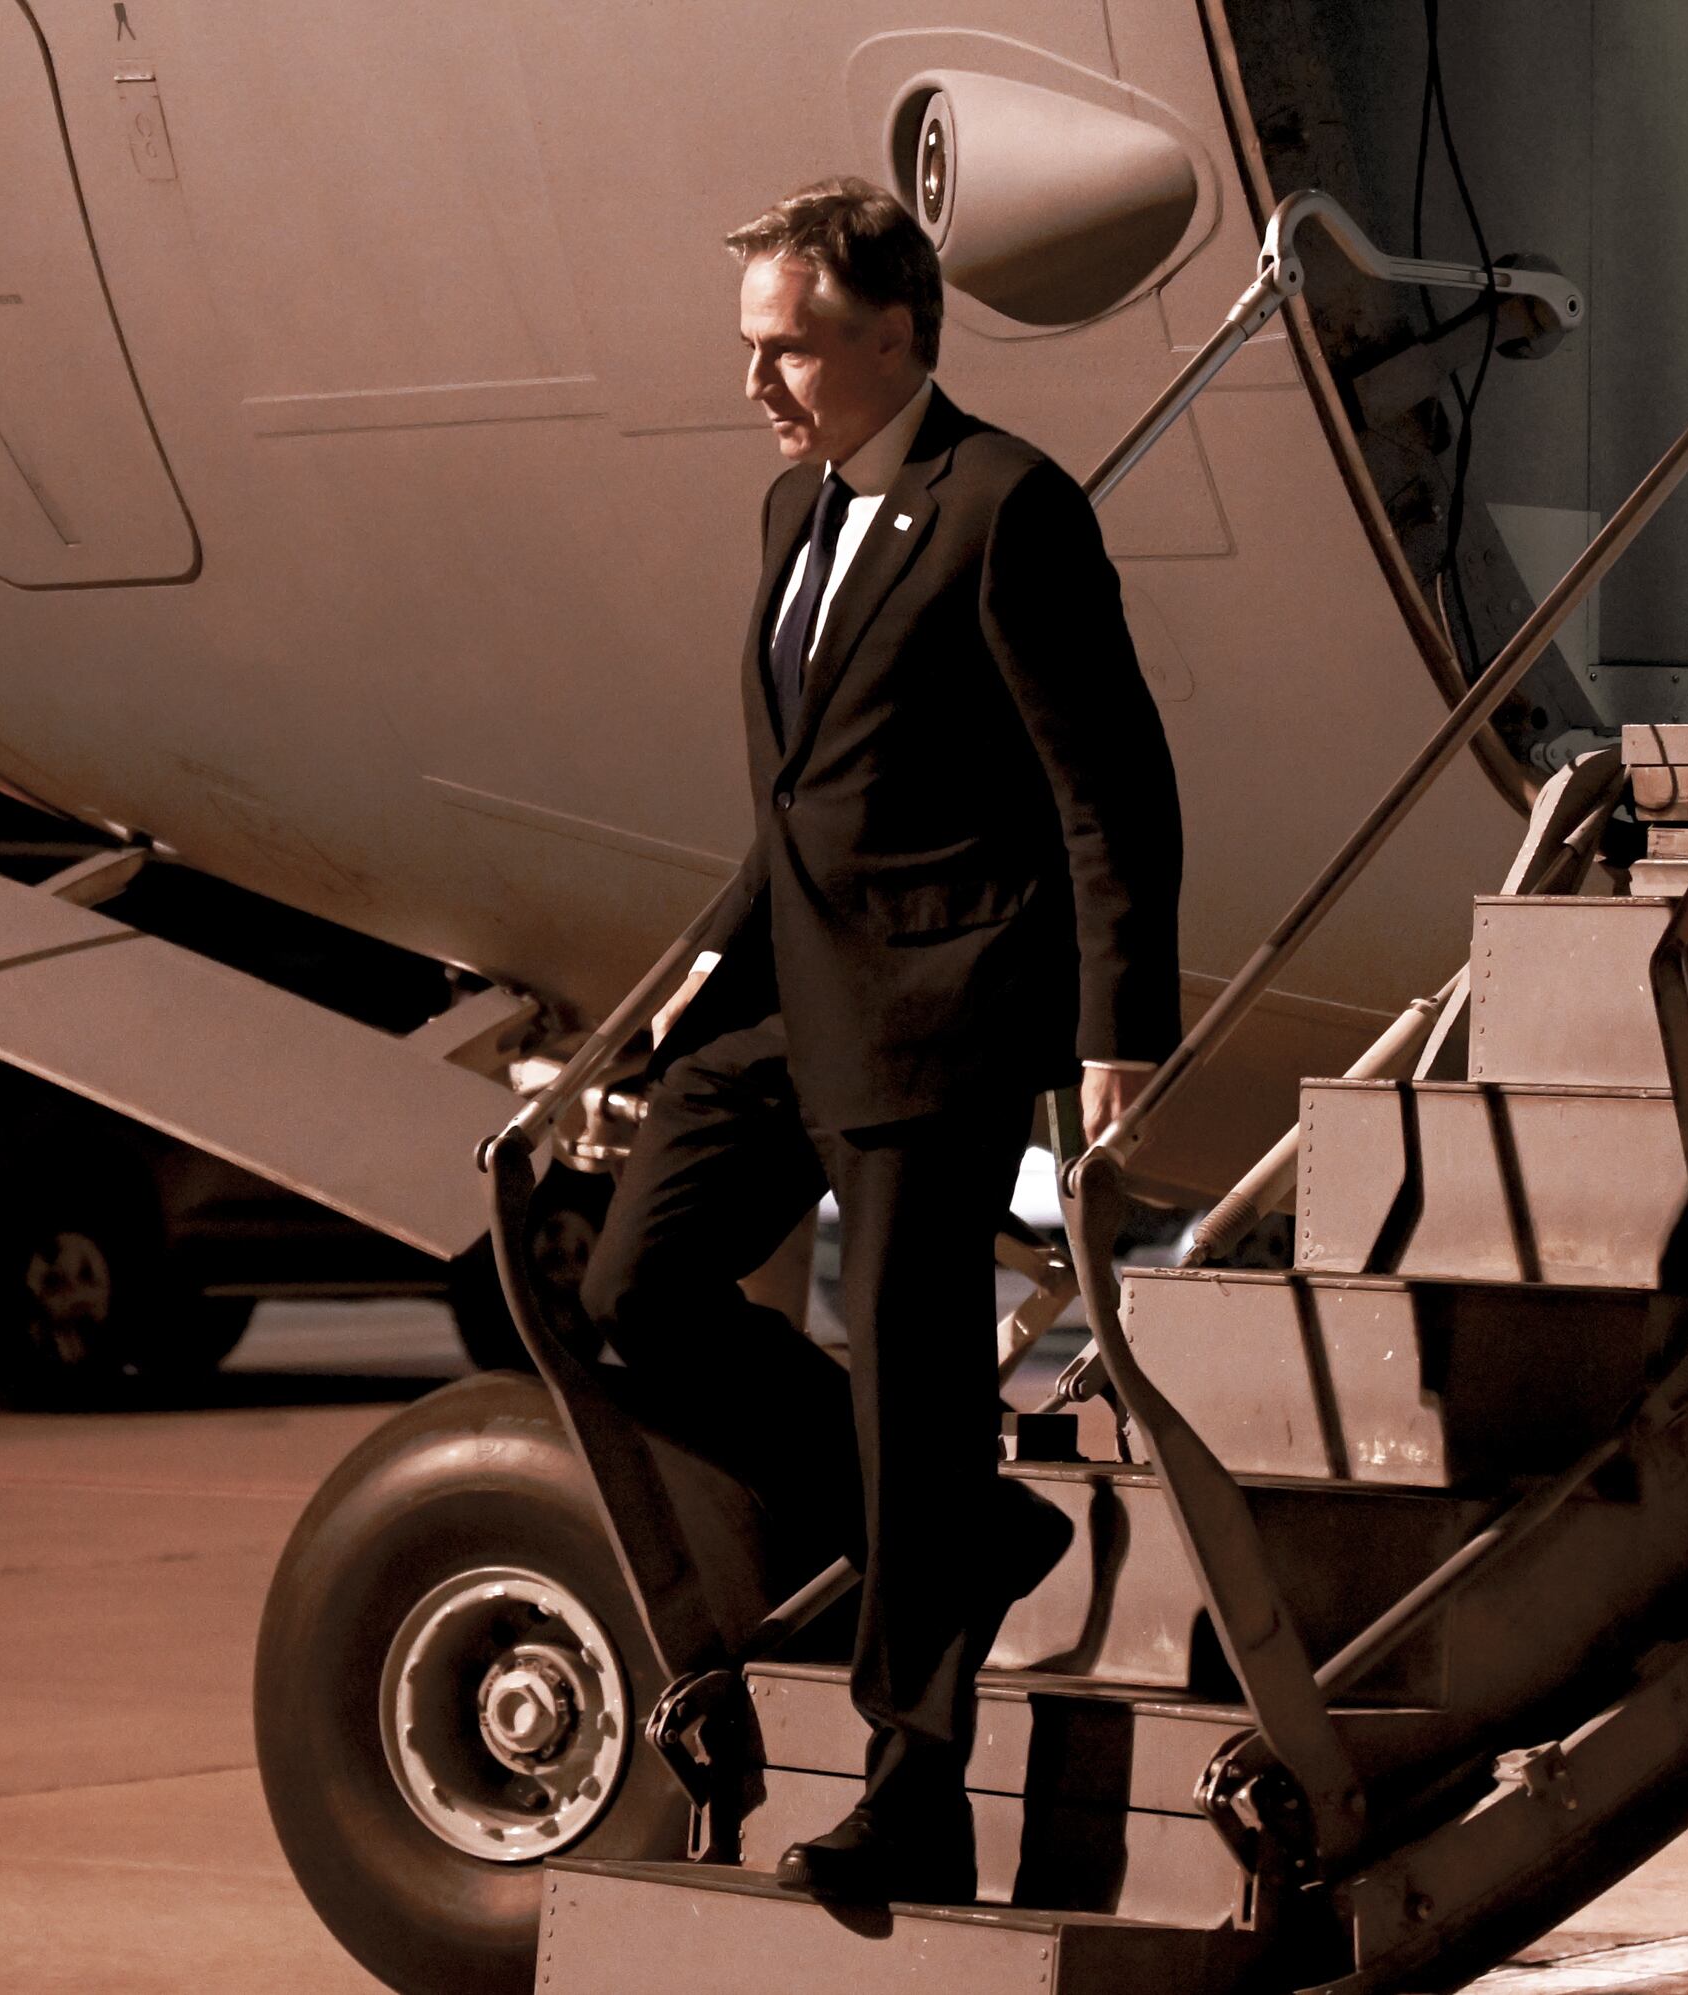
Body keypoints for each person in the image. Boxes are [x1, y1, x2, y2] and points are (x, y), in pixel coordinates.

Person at [579, 178, 1183, 1903]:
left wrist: (1118, 1028)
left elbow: (1110, 787)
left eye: (791, 347)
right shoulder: (797, 511)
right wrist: (693, 979)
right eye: (751, 347)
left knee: (918, 1397)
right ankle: (961, 1537)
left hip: (942, 1018)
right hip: (794, 1001)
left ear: (899, 331)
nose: (757, 382)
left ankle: (913, 1791)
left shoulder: (1005, 506)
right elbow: (798, 801)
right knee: (636, 1294)